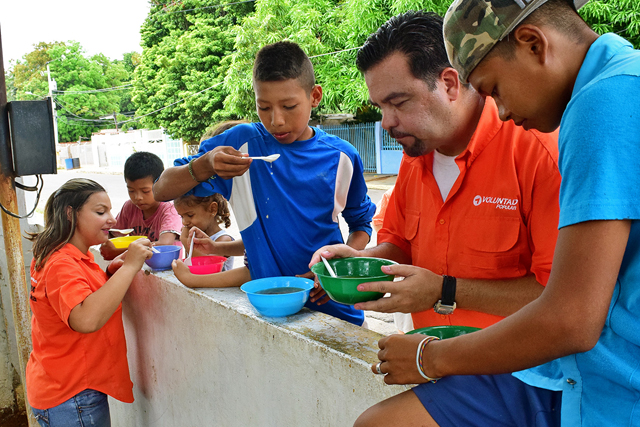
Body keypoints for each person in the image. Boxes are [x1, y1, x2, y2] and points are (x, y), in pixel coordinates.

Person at [354, 1, 640, 426]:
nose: (502, 111)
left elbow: (571, 318)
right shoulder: (618, 78)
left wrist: (429, 357)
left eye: (495, 90)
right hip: (568, 373)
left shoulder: (599, 105)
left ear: (532, 44)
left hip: (606, 386)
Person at [311, 11, 561, 333]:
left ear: (448, 84)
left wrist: (446, 290)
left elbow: (557, 294)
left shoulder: (537, 152)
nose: (386, 122)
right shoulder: (415, 155)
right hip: (425, 354)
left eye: (399, 102)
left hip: (514, 373)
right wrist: (364, 260)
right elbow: (400, 246)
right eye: (381, 108)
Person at [153, 41, 376, 326]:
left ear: (315, 96)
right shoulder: (241, 144)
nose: (277, 121)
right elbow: (161, 189)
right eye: (264, 107)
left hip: (334, 310)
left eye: (289, 106)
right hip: (270, 311)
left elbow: (361, 226)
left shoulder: (342, 156)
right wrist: (204, 164)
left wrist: (334, 268)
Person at [26, 178, 153, 426]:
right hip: (72, 395)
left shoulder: (65, 253)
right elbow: (85, 318)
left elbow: (77, 296)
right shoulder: (62, 263)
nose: (112, 219)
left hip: (61, 384)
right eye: (100, 211)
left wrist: (111, 272)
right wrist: (130, 267)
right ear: (70, 214)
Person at [100, 151, 182, 260]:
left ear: (160, 184)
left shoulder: (169, 209)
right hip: (138, 267)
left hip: (165, 270)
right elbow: (114, 234)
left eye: (145, 191)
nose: (138, 197)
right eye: (131, 191)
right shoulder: (129, 207)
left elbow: (165, 243)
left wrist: (117, 252)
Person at [173, 193, 235, 271]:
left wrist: (185, 240)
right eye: (182, 216)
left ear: (212, 209)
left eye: (190, 215)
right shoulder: (193, 236)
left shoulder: (224, 239)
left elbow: (207, 267)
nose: (184, 222)